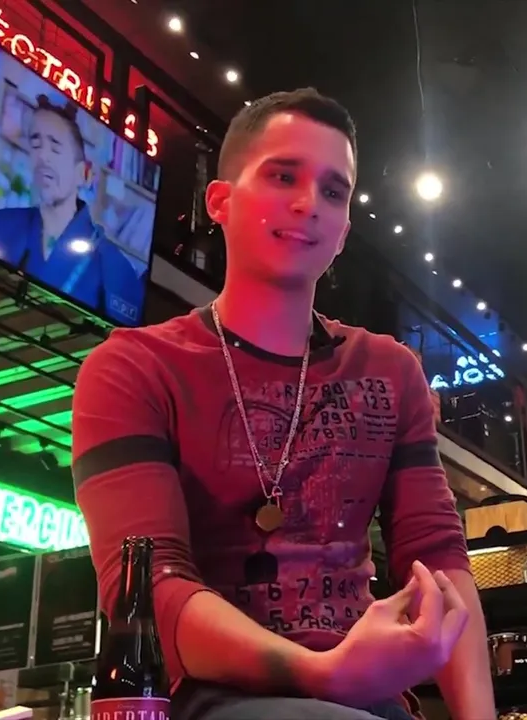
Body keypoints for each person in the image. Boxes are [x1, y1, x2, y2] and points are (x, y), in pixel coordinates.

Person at [71, 89, 495, 720]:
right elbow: (148, 584)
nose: (308, 204)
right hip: (214, 697)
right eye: (282, 176)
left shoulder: (388, 370)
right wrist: (324, 674)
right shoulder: (135, 367)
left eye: (333, 190)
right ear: (220, 201)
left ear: (344, 231)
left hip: (370, 700)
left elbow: (437, 562)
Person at [0, 96, 143, 324]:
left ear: (84, 173)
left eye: (55, 148)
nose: (43, 157)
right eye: (36, 146)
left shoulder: (113, 266)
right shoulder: (1, 225)